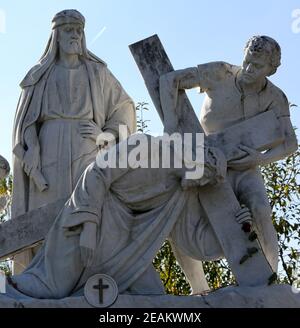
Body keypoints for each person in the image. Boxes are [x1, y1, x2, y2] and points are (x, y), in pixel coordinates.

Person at [6, 134, 230, 299]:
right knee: (48, 288)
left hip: (128, 247)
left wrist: (240, 234)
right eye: (205, 176)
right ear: (196, 161)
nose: (201, 184)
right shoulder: (145, 146)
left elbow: (193, 241)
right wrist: (89, 228)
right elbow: (95, 173)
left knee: (153, 297)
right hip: (91, 217)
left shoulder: (179, 191)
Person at [11, 10, 136, 273]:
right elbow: (26, 123)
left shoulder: (98, 72)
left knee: (87, 212)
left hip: (86, 149)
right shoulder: (39, 75)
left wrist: (106, 135)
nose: (75, 35)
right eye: (69, 30)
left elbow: (124, 108)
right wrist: (32, 148)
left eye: (79, 30)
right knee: (47, 216)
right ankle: (43, 278)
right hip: (48, 155)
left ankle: (87, 277)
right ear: (56, 36)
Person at [160, 35, 298, 272]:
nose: (248, 69)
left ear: (271, 69)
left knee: (261, 210)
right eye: (246, 61)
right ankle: (197, 286)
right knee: (176, 214)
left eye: (257, 66)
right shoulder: (220, 73)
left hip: (245, 167)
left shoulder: (276, 98)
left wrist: (260, 159)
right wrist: (171, 124)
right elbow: (168, 80)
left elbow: (290, 143)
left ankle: (270, 281)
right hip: (204, 161)